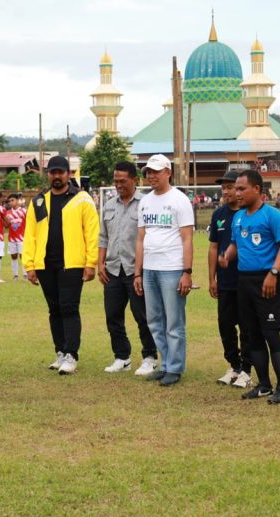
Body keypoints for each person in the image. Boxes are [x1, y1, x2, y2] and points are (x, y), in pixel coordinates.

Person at [221, 170, 280, 404]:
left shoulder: (273, 215)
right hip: (244, 281)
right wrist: (227, 256)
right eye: (236, 188)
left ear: (257, 190)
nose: (237, 193)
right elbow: (235, 244)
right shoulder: (239, 218)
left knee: (271, 334)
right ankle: (264, 385)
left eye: (242, 189)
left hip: (267, 280)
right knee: (252, 336)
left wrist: (274, 273)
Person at [23, 155, 99, 375]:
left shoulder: (82, 199)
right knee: (54, 309)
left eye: (61, 172)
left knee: (69, 308)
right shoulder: (38, 201)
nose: (56, 176)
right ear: (48, 174)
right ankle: (60, 351)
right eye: (53, 172)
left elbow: (92, 233)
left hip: (72, 264)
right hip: (45, 264)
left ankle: (71, 354)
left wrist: (90, 263)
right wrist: (29, 265)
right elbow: (30, 235)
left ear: (69, 174)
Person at [133, 154, 194, 387]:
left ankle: (175, 367)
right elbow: (141, 239)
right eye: (148, 172)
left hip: (172, 268)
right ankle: (166, 363)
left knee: (174, 321)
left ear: (168, 172)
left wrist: (186, 271)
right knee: (155, 320)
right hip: (149, 269)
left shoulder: (179, 200)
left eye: (156, 171)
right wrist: (138, 272)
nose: (151, 176)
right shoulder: (146, 201)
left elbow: (187, 238)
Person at [98, 161, 157, 374]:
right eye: (115, 181)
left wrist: (141, 271)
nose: (118, 185)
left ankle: (150, 357)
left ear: (134, 180)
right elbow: (103, 237)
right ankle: (122, 357)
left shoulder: (146, 203)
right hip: (113, 268)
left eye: (123, 181)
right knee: (112, 315)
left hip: (136, 270)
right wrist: (100, 264)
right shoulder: (109, 205)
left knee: (142, 315)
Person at [207, 171, 249, 386]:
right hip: (224, 281)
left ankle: (247, 370)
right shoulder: (218, 214)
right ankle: (234, 365)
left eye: (230, 187)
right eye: (223, 188)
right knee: (225, 325)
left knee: (247, 325)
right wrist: (212, 278)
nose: (225, 191)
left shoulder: (248, 212)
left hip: (246, 279)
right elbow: (213, 247)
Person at [4, 194, 27, 280]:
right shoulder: (7, 213)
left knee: (23, 256)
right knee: (13, 256)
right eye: (9, 201)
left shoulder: (24, 211)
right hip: (12, 238)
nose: (10, 202)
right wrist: (4, 221)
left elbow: (29, 223)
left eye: (12, 200)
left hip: (22, 238)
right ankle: (15, 275)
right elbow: (6, 226)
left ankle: (25, 275)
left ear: (17, 200)